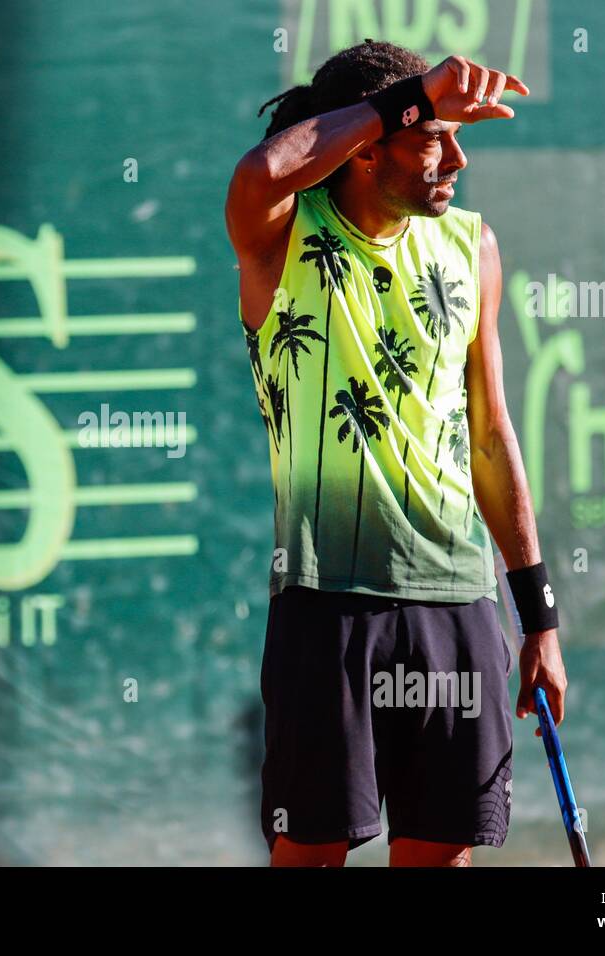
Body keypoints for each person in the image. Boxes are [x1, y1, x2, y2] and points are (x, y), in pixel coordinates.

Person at [225, 41, 568, 866]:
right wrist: (415, 95)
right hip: (325, 604)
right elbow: (261, 173)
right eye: (432, 138)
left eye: (453, 135)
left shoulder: (470, 245)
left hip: (459, 601)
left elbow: (490, 434)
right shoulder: (281, 234)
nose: (456, 157)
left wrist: (539, 617)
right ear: (368, 145)